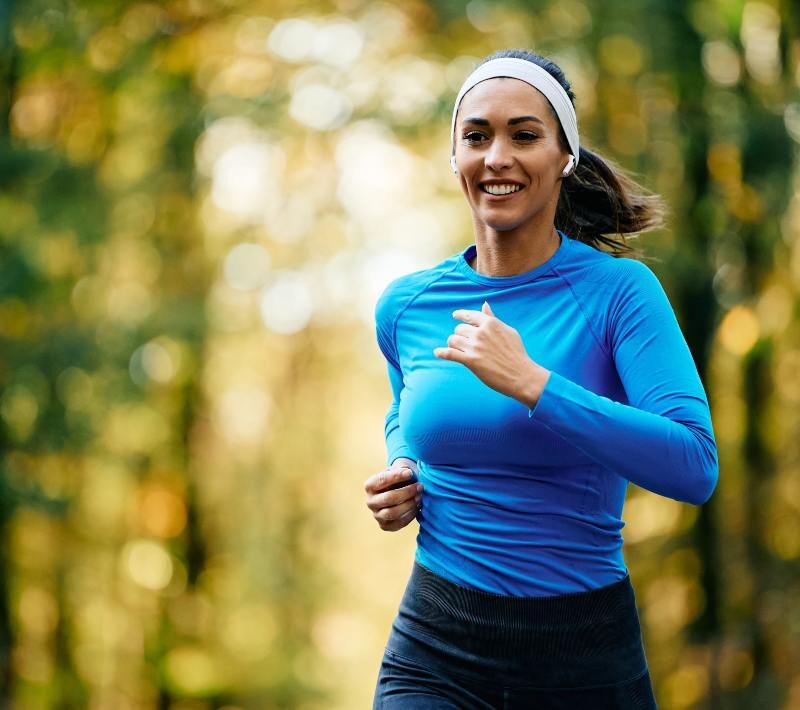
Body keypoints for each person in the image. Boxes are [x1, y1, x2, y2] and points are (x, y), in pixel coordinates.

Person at [364, 48, 718, 709]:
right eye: (477, 136)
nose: (497, 156)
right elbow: (403, 410)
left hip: (581, 655)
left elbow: (694, 465)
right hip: (437, 644)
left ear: (565, 158)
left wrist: (535, 385)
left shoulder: (618, 294)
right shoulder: (407, 307)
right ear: (456, 158)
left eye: (524, 135)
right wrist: (403, 467)